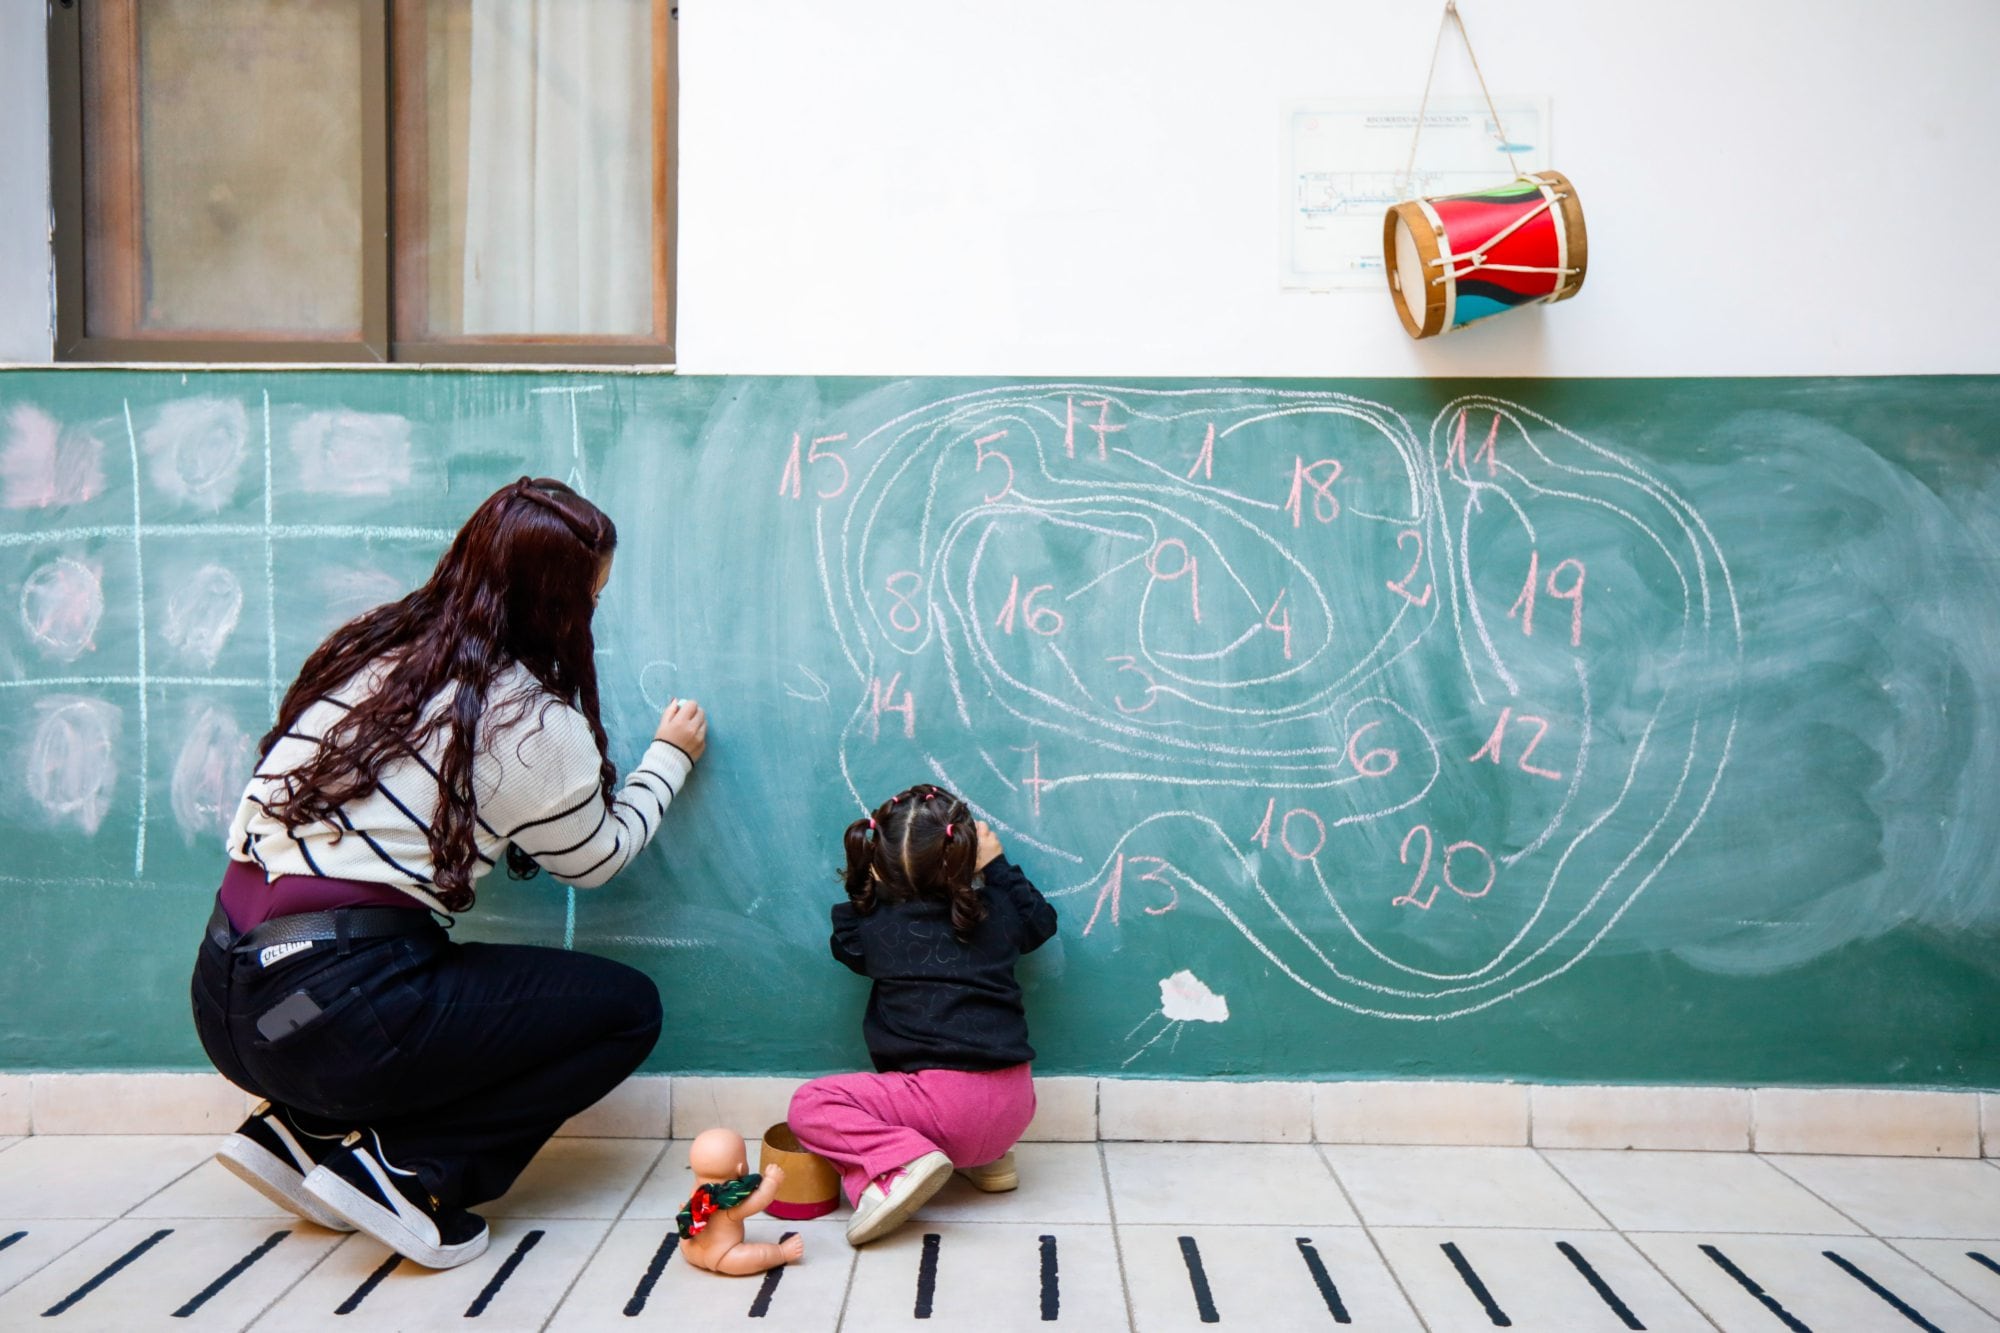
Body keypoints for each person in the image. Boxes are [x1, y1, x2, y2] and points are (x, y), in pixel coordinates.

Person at [189, 477, 706, 1270]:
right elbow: (596, 859)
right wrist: (667, 759)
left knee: (410, 966)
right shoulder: (530, 721)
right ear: (559, 607)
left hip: (232, 998)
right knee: (625, 1010)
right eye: (589, 600)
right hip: (335, 1010)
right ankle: (414, 1171)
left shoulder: (371, 649)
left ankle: (301, 1130)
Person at [786, 782, 1058, 1247]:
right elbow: (1042, 922)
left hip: (941, 1109)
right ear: (968, 851)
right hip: (1015, 1105)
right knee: (958, 1105)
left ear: (878, 860)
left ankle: (902, 1163)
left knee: (810, 1104)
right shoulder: (1002, 914)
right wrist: (997, 867)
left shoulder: (874, 931)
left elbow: (845, 942)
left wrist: (867, 877)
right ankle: (987, 1161)